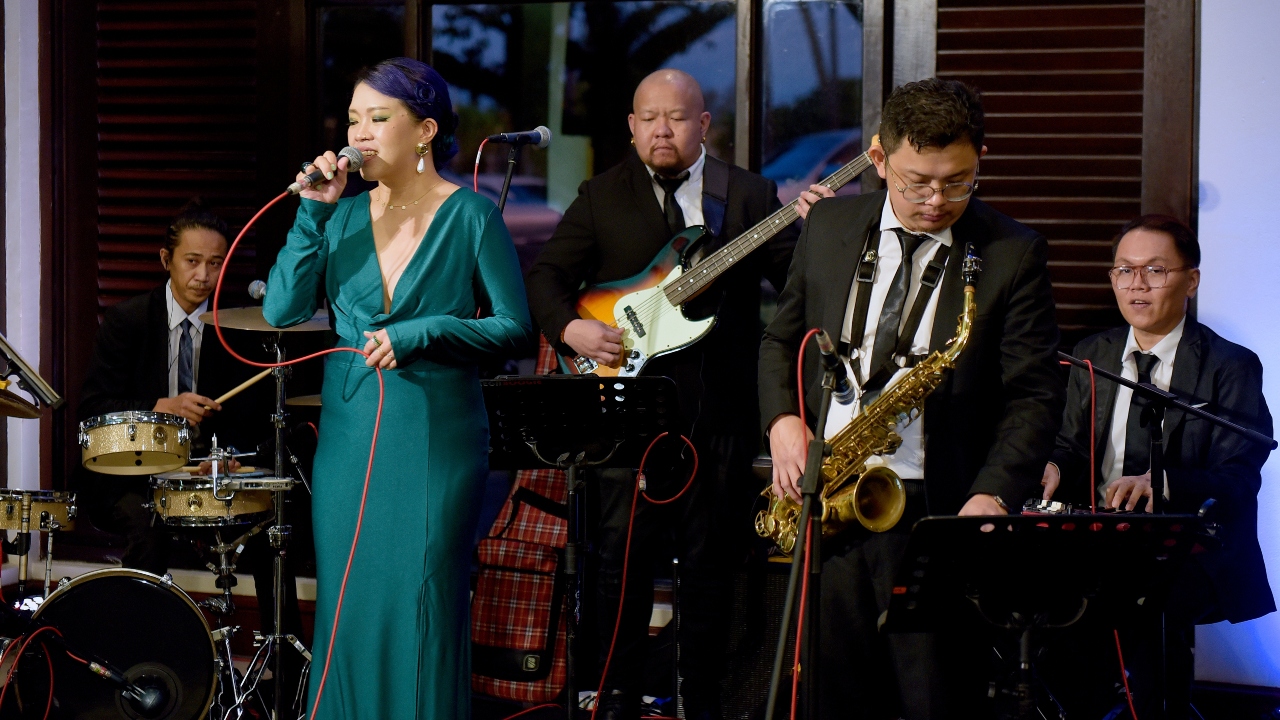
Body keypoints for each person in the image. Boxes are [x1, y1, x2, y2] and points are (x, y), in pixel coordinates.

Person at [759, 78, 1065, 719]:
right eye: (917, 182)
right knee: (828, 700)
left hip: (937, 513)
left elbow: (1034, 395)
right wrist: (783, 420)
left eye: (958, 182)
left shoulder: (1012, 252)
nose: (937, 201)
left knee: (937, 700)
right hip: (830, 503)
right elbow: (780, 339)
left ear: (980, 160)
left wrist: (993, 493)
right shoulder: (830, 225)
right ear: (878, 158)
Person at [525, 69, 809, 720]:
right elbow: (545, 277)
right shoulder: (601, 195)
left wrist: (815, 232)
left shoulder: (749, 194)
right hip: (626, 415)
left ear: (702, 124)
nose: (662, 129)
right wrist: (570, 328)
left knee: (710, 571)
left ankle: (701, 702)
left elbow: (797, 284)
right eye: (649, 118)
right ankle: (616, 697)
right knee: (618, 567)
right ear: (631, 126)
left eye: (676, 118)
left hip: (720, 415)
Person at [263, 57, 534, 719]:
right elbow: (281, 310)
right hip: (350, 440)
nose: (359, 133)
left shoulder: (471, 215)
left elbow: (514, 328)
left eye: (377, 118)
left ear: (424, 131)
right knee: (347, 605)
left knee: (421, 602)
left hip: (434, 439)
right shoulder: (340, 216)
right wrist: (312, 215)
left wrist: (428, 330)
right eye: (353, 119)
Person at [1041, 215, 1275, 719]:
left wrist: (1162, 482)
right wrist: (1055, 467)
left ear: (1191, 280)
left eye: (1155, 270)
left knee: (1142, 612)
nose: (1137, 284)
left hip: (1185, 545)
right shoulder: (1092, 353)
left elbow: (1238, 475)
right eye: (1124, 270)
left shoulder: (1230, 365)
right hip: (1096, 537)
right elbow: (1071, 445)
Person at [77, 199, 301, 689]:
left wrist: (225, 459)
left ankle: (287, 673)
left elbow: (252, 420)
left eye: (215, 263)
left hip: (204, 473)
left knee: (271, 528)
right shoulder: (127, 321)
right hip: (133, 474)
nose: (203, 275)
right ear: (166, 260)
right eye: (192, 261)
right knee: (147, 526)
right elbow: (93, 407)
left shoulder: (238, 326)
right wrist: (161, 405)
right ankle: (143, 666)